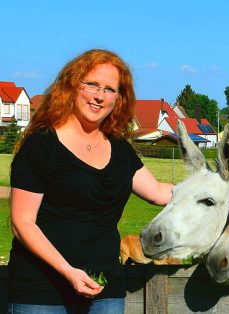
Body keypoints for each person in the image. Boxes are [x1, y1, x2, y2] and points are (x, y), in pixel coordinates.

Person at [7, 49, 174, 313]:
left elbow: (159, 193)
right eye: (92, 85)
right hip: (41, 291)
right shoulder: (41, 146)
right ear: (72, 86)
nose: (99, 96)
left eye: (110, 89)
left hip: (104, 290)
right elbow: (22, 223)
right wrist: (68, 271)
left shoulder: (120, 150)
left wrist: (219, 191)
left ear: (118, 98)